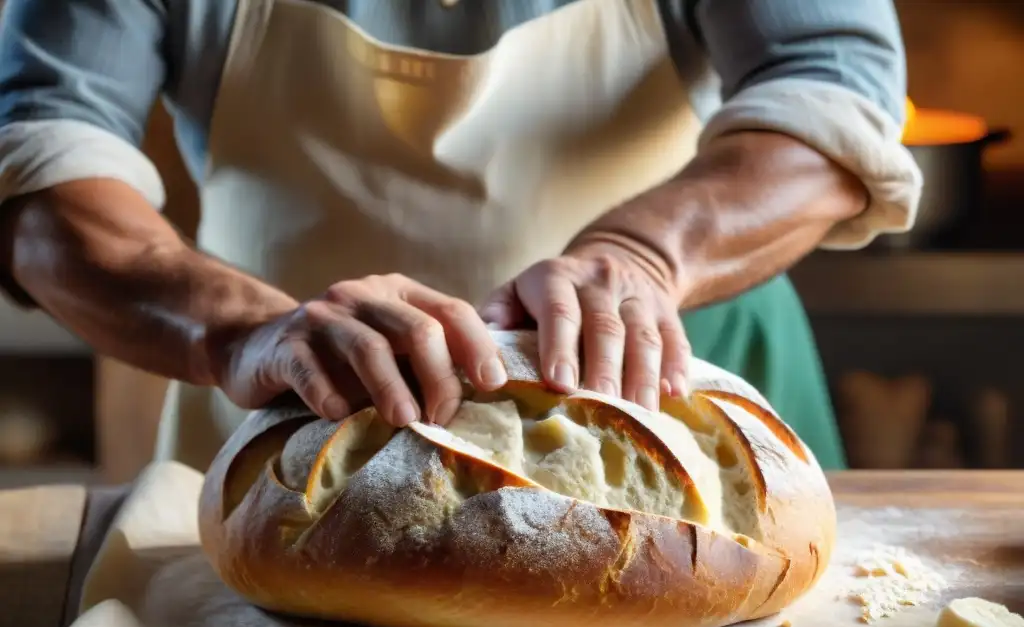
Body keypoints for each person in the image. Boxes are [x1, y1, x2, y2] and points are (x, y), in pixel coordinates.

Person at [0, 0, 920, 472]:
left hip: (679, 382)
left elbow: (832, 88)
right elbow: (39, 165)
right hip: (294, 416)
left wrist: (638, 257)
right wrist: (242, 332)